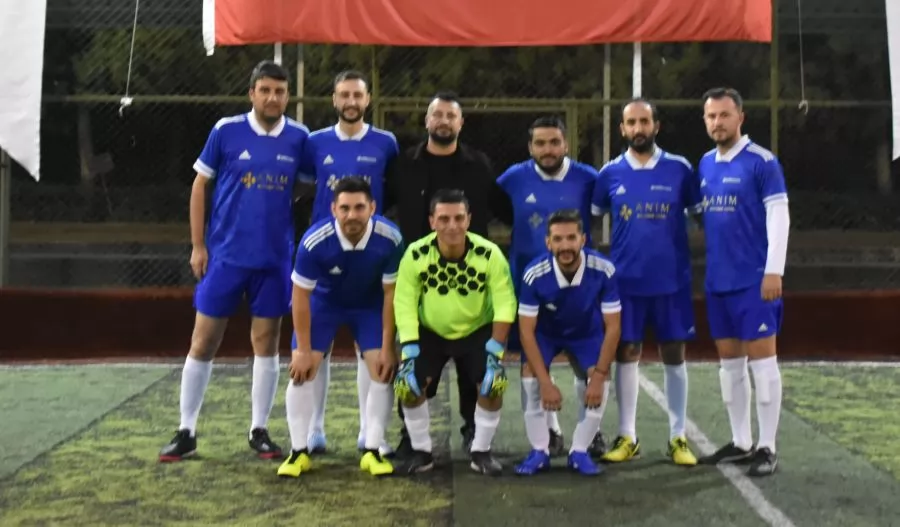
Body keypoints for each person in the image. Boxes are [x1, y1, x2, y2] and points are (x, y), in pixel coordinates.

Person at [159, 60, 309, 462]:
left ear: (287, 96)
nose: (272, 98)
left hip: (274, 259)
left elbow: (310, 188)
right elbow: (200, 185)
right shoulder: (226, 130)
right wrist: (198, 245)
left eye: (280, 92)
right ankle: (186, 430)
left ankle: (259, 429)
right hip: (225, 257)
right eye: (265, 90)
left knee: (266, 342)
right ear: (252, 94)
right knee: (203, 341)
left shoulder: (299, 137)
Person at [386, 91, 513, 457]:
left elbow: (505, 210)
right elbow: (379, 204)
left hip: (471, 285)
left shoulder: (479, 165)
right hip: (421, 282)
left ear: (461, 123)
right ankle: (412, 439)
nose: (443, 121)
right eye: (437, 115)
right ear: (427, 120)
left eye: (450, 116)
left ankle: (475, 432)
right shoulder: (403, 164)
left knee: (479, 374)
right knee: (412, 374)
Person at [590, 98, 702, 466]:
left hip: (672, 280)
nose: (638, 129)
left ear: (656, 126)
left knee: (674, 353)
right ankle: (628, 436)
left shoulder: (680, 169)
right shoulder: (609, 174)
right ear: (622, 129)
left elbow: (701, 217)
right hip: (626, 282)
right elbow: (591, 220)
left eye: (644, 121)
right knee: (627, 353)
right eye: (631, 123)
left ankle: (677, 437)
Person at [298, 70, 400, 456]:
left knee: (368, 347)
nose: (351, 101)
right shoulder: (315, 142)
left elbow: (389, 191)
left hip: (368, 255)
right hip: (326, 255)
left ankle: (368, 432)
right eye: (344, 95)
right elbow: (305, 186)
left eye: (357, 95)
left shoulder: (386, 143)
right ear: (334, 99)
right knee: (317, 350)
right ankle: (314, 430)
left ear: (368, 99)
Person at [277, 177, 404, 478]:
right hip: (324, 303)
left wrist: (388, 347)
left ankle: (372, 449)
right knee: (301, 372)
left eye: (359, 207)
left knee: (383, 370)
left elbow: (391, 294)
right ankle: (298, 452)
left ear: (372, 207)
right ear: (333, 209)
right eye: (345, 208)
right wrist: (302, 350)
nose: (352, 215)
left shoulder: (391, 238)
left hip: (369, 305)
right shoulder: (314, 241)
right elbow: (300, 295)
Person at [695, 87, 789, 477]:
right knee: (729, 367)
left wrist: (773, 270)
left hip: (754, 281)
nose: (717, 122)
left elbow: (779, 217)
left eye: (724, 115)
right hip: (718, 281)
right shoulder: (705, 164)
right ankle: (740, 441)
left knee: (763, 367)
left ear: (740, 117)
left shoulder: (762, 162)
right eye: (711, 116)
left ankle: (767, 447)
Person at [497, 116, 603, 457]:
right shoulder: (512, 179)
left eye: (554, 142)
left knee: (582, 358)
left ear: (566, 144)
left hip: (577, 287)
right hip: (528, 286)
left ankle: (591, 433)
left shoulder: (588, 178)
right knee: (531, 358)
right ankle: (550, 432)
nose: (548, 149)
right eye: (540, 143)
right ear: (530, 147)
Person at [392, 189, 516, 475]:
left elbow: (505, 304)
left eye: (459, 218)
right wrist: (408, 351)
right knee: (407, 385)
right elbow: (404, 302)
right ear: (432, 221)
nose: (452, 226)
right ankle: (421, 451)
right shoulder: (415, 254)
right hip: (430, 331)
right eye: (444, 219)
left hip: (476, 330)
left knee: (493, 383)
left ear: (469, 220)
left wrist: (496, 351)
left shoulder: (490, 254)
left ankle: (481, 451)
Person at [514, 210, 622, 476]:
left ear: (583, 239)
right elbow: (526, 332)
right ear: (548, 243)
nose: (565, 246)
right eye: (558, 239)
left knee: (601, 379)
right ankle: (540, 451)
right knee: (529, 375)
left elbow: (613, 327)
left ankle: (580, 451)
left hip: (586, 332)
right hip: (546, 333)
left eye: (571, 238)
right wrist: (545, 382)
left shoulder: (604, 269)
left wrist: (598, 375)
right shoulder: (534, 274)